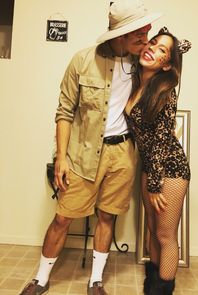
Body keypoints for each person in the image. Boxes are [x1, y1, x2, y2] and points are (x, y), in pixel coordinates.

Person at [19, 1, 162, 295]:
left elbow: (168, 61)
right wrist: (61, 157)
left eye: (147, 29)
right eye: (139, 31)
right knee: (63, 218)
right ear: (121, 34)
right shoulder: (82, 61)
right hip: (82, 154)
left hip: (122, 155)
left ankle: (95, 280)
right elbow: (64, 111)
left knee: (107, 216)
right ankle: (41, 279)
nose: (146, 36)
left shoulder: (141, 65)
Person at [125, 27, 191, 295]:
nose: (152, 48)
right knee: (152, 231)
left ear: (167, 65)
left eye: (162, 49)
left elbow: (163, 141)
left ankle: (162, 291)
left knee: (165, 236)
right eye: (152, 43)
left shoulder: (165, 92)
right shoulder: (138, 83)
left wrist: (155, 184)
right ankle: (151, 285)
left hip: (170, 170)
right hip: (151, 168)